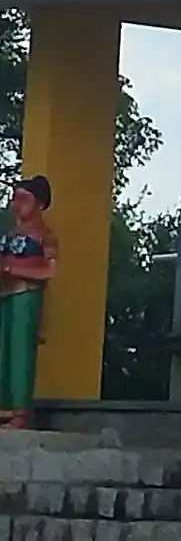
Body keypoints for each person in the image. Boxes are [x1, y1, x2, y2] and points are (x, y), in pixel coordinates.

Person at [0, 176, 56, 430]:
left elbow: (49, 271)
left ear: (39, 204)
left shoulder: (46, 237)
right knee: (3, 348)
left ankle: (19, 411)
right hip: (5, 294)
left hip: (27, 294)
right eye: (14, 199)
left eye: (23, 199)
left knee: (20, 350)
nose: (16, 205)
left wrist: (14, 269)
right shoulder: (9, 235)